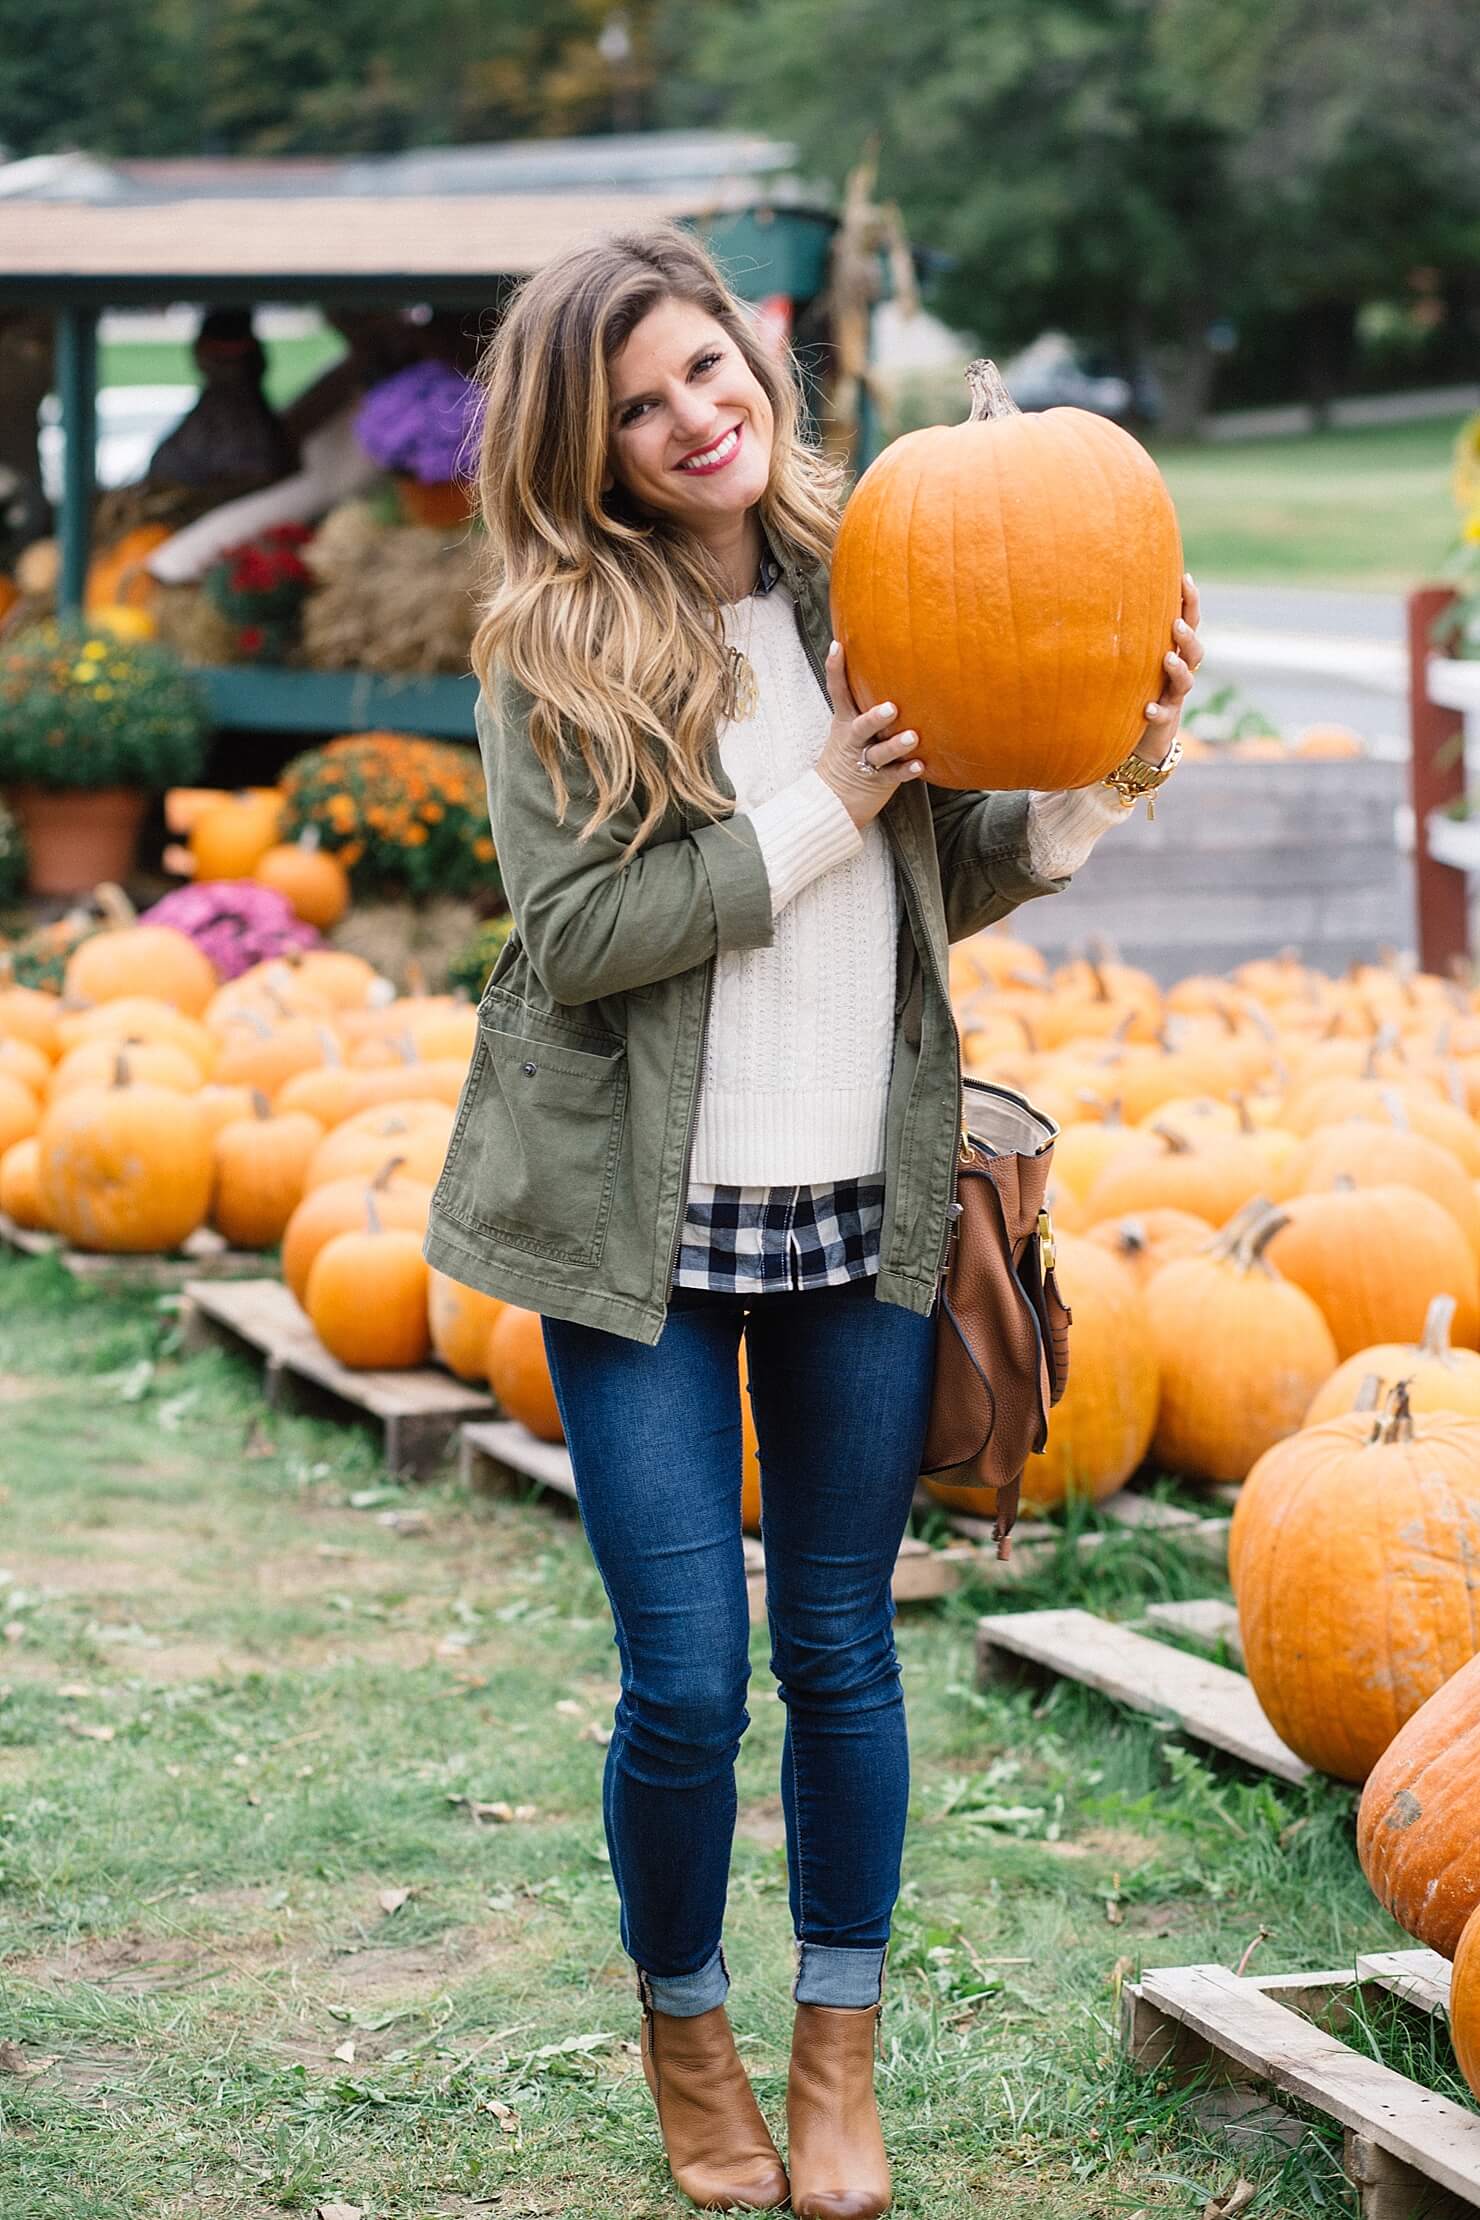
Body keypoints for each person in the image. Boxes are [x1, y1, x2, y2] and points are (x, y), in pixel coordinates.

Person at [423, 222, 1201, 2218]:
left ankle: (835, 2061)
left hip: (859, 1211)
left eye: (708, 369)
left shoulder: (876, 574)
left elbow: (948, 871)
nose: (697, 417)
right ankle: (684, 2025)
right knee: (686, 1675)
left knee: (840, 1654)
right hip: (638, 1233)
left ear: (756, 357)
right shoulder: (552, 642)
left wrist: (1116, 744)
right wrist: (814, 808)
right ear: (583, 455)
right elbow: (578, 937)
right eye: (640, 407)